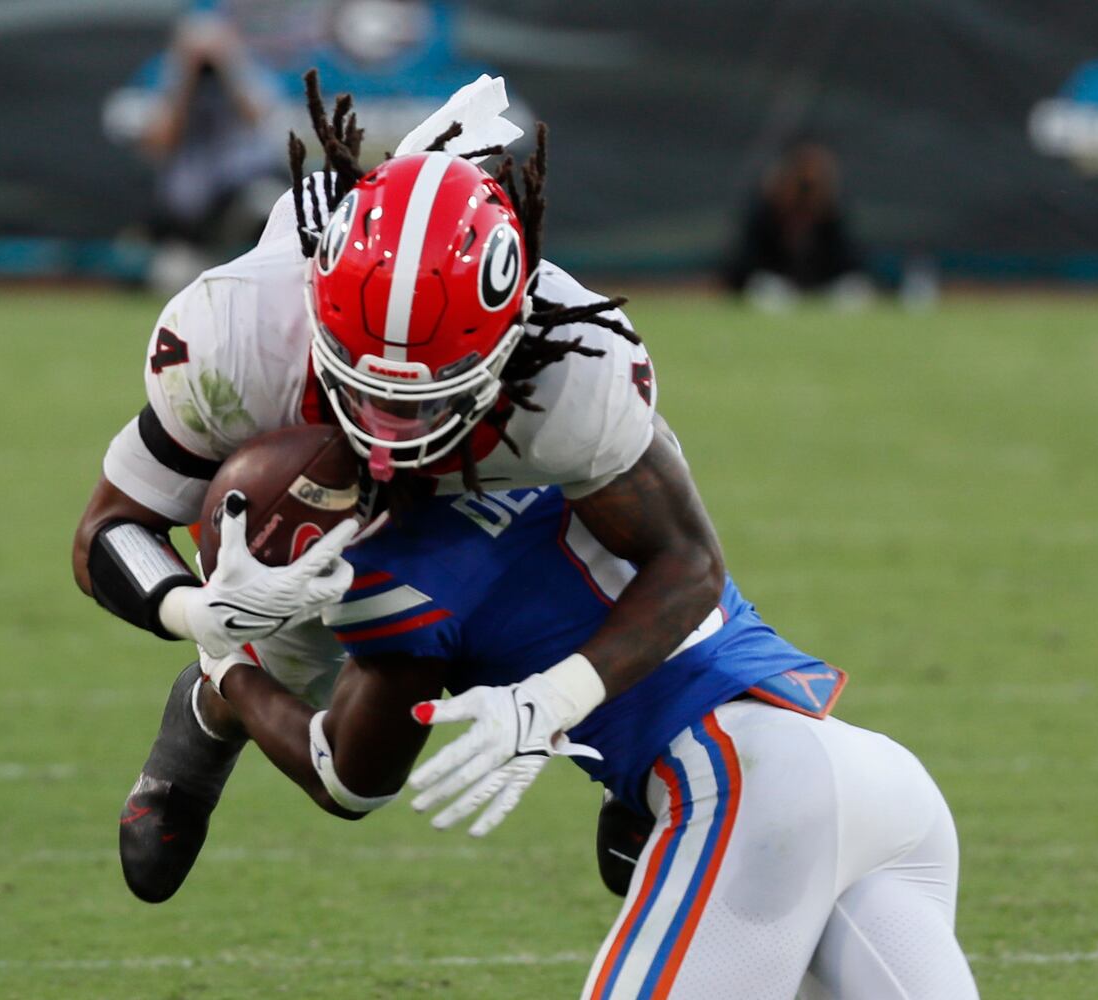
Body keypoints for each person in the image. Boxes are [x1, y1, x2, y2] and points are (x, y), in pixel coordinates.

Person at [74, 71, 699, 896]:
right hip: (323, 501)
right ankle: (215, 702)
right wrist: (200, 612)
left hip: (503, 481)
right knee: (350, 770)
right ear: (317, 310)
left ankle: (645, 762)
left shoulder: (576, 376)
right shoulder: (237, 330)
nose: (390, 426)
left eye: (421, 393)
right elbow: (108, 531)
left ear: (511, 334)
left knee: (671, 653)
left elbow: (684, 562)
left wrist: (565, 695)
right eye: (362, 384)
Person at [196, 477, 979, 998]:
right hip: (878, 781)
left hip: (752, 783)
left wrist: (228, 671)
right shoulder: (562, 444)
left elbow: (347, 776)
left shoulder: (385, 577)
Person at [105, 6, 287, 292]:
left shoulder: (248, 69)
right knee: (175, 281)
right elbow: (161, 142)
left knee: (265, 201)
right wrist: (186, 77)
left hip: (241, 192)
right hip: (191, 214)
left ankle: (259, 271)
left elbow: (258, 119)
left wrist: (228, 66)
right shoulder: (162, 72)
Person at [720, 141, 871, 310]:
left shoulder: (833, 215)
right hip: (777, 289)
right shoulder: (765, 214)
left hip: (825, 289)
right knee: (764, 289)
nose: (805, 194)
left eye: (813, 186)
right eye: (801, 184)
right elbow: (744, 267)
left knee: (853, 291)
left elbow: (851, 263)